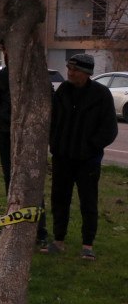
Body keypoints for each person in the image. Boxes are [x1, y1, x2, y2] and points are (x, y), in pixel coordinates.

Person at [40, 54, 118, 260]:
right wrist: (54, 143)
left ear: (86, 73)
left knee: (88, 202)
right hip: (62, 157)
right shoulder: (63, 91)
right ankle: (58, 240)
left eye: (75, 70)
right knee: (59, 199)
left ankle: (87, 245)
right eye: (69, 68)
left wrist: (91, 147)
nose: (70, 73)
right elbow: (53, 120)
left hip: (88, 161)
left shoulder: (101, 95)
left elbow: (109, 129)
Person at [0, 61, 49, 246]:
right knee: (11, 181)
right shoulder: (3, 75)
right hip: (6, 134)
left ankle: (39, 230)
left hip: (29, 136)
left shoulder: (36, 72)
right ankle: (12, 222)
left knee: (32, 182)